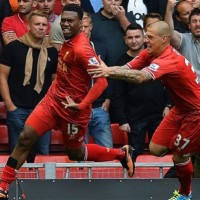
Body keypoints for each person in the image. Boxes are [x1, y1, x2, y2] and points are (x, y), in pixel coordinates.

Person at [0, 4, 134, 199]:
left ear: (81, 24)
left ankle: (122, 154)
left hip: (74, 110)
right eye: (63, 20)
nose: (66, 24)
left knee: (75, 154)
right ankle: (3, 186)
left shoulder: (83, 49)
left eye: (71, 21)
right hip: (53, 101)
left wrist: (81, 104)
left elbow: (102, 83)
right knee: (25, 138)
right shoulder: (66, 39)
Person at [88, 20, 200, 200]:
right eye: (146, 36)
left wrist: (108, 72)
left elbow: (140, 77)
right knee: (156, 149)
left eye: (150, 37)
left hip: (196, 114)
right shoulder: (150, 53)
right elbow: (127, 68)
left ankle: (186, 194)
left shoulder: (170, 59)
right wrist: (107, 69)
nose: (146, 40)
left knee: (179, 156)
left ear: (165, 39)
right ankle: (190, 146)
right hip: (180, 110)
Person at [0, 10, 57, 162]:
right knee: (17, 155)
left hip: (43, 111)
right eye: (37, 24)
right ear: (29, 26)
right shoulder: (13, 48)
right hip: (18, 109)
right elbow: (2, 77)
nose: (41, 27)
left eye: (44, 25)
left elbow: (55, 82)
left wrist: (51, 107)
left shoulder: (52, 51)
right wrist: (10, 105)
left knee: (42, 155)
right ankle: (12, 186)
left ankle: (42, 186)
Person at [112, 23, 172, 160]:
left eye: (137, 37)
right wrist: (122, 120)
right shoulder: (121, 62)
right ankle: (132, 181)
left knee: (162, 154)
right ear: (125, 40)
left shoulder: (157, 57)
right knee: (134, 154)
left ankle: (164, 182)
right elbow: (117, 95)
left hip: (158, 114)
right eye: (130, 37)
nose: (134, 41)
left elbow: (170, 83)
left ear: (144, 38)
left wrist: (169, 105)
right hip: (135, 118)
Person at [81, 12, 112, 147]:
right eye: (80, 27)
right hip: (78, 108)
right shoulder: (68, 48)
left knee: (108, 154)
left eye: (86, 27)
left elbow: (110, 75)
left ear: (91, 27)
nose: (83, 30)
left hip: (100, 107)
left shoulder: (101, 47)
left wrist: (108, 98)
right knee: (79, 156)